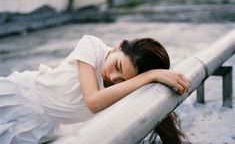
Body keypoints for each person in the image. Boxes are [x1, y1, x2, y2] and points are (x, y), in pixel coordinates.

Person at [0, 35, 190, 144]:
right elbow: (93, 101)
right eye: (118, 66)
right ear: (119, 46)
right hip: (20, 97)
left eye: (124, 80)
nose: (114, 78)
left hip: (42, 126)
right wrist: (149, 76)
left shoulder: (127, 86)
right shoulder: (91, 45)